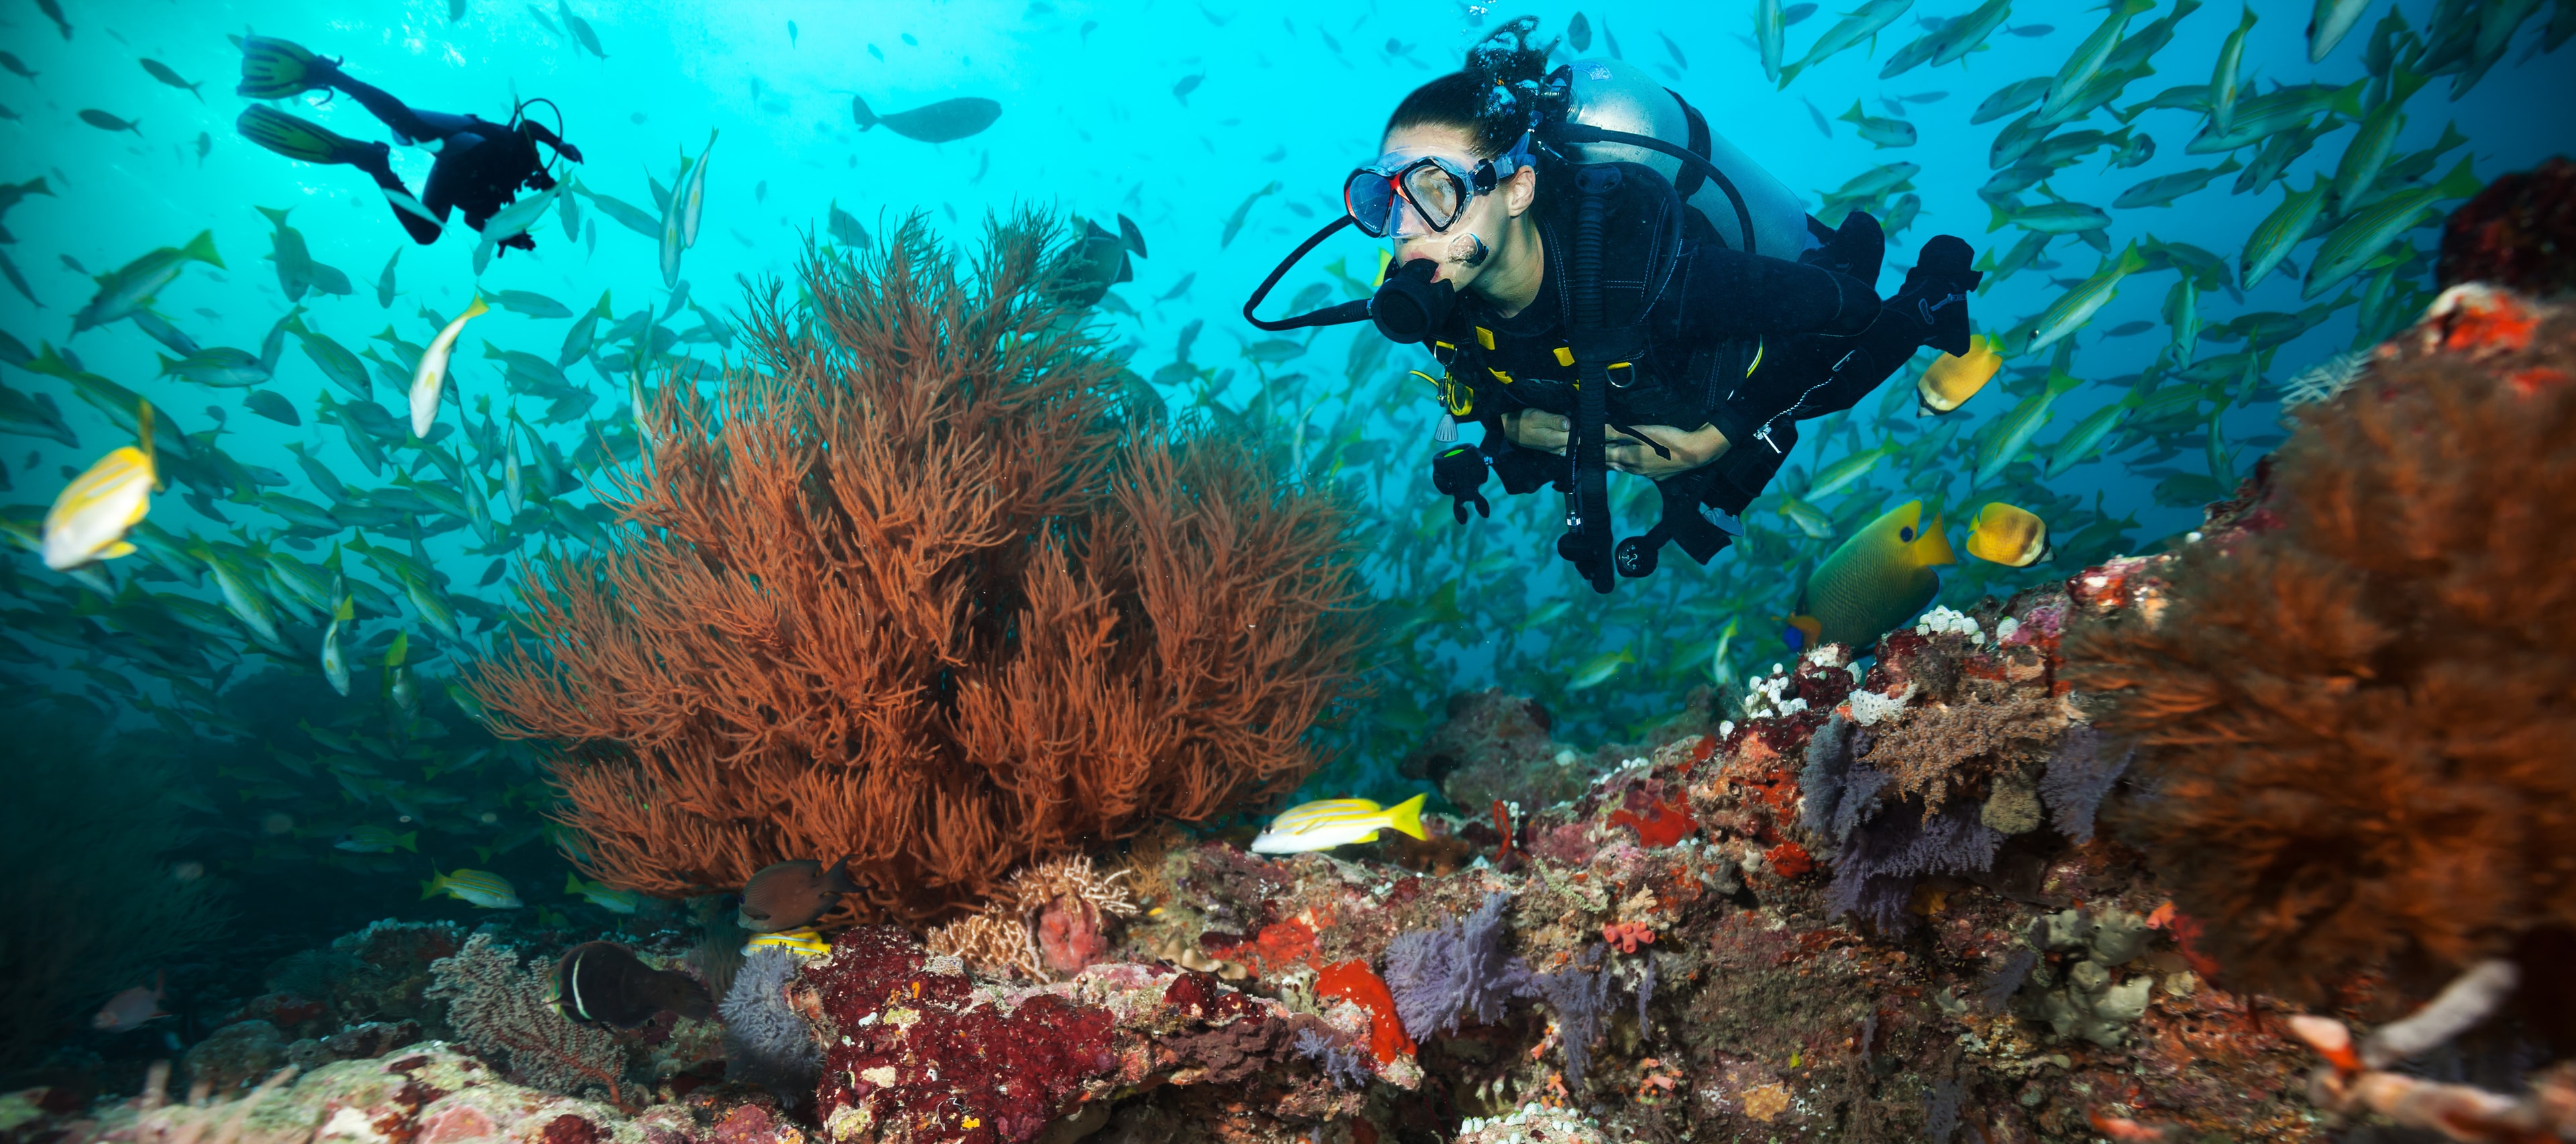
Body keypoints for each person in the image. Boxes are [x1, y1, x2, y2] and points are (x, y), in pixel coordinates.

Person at [1245, 18, 1980, 590]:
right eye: (1384, 201)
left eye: (1435, 193)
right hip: (1627, 397)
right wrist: (1503, 423)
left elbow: (1844, 309)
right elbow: (1477, 390)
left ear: (1519, 188)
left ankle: (1929, 287)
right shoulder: (1441, 295)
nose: (1407, 233)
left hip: (1734, 365)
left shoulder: (1642, 269)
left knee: (1845, 369)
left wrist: (1721, 435)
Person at [232, 36, 582, 252]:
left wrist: (504, 234)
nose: (538, 183)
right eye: (543, 181)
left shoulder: (508, 194)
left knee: (427, 234)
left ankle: (374, 165)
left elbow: (475, 220)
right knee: (415, 130)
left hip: (454, 174)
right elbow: (529, 125)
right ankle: (331, 76)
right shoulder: (526, 157)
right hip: (471, 141)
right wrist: (560, 144)